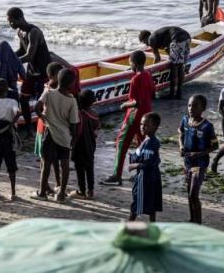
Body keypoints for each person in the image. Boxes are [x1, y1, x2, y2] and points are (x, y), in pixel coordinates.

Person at [102, 50, 155, 186]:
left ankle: (116, 175)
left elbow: (136, 102)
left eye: (130, 63)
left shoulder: (135, 79)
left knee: (121, 143)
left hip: (134, 115)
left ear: (135, 64)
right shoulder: (148, 75)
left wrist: (124, 104)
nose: (130, 66)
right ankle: (142, 173)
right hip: (146, 115)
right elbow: (152, 94)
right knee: (142, 144)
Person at [33, 68, 79, 203]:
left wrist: (43, 118)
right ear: (71, 84)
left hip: (50, 134)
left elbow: (37, 107)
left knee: (46, 163)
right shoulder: (72, 101)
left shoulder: (48, 93)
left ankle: (42, 192)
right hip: (64, 137)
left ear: (57, 80)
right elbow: (73, 125)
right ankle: (61, 194)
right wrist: (73, 140)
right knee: (64, 165)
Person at [7, 7, 52, 134]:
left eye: (11, 21)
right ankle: (29, 129)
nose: (10, 24)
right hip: (31, 71)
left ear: (20, 18)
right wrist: (8, 57)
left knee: (45, 101)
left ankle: (46, 127)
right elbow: (22, 50)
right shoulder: (20, 32)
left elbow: (29, 56)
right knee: (23, 99)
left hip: (44, 71)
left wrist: (12, 62)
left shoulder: (34, 32)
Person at [179, 94, 219, 224]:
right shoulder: (185, 120)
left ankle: (199, 223)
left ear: (203, 108)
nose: (191, 108)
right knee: (189, 194)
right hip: (187, 163)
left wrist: (200, 153)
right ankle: (192, 219)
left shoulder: (207, 126)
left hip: (199, 164)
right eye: (189, 105)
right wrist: (181, 147)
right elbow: (181, 134)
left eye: (195, 106)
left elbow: (215, 145)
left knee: (193, 194)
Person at [139, 26, 190, 100]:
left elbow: (157, 58)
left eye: (144, 42)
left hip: (177, 38)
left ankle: (172, 94)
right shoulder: (160, 36)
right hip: (186, 37)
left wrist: (151, 70)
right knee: (180, 65)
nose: (147, 45)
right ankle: (179, 92)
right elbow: (169, 50)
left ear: (145, 37)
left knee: (174, 66)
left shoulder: (151, 39)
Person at [128, 112, 163, 222]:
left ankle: (128, 227)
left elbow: (148, 163)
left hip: (145, 178)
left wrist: (134, 165)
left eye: (146, 125)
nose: (142, 127)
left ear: (155, 127)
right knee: (151, 203)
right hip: (152, 177)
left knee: (137, 202)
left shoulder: (149, 143)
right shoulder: (148, 140)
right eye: (141, 124)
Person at [70, 89, 100, 200]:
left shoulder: (79, 114)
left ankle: (81, 191)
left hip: (79, 146)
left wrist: (72, 144)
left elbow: (76, 132)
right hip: (91, 146)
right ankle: (90, 190)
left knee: (79, 169)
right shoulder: (94, 114)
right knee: (89, 167)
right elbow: (96, 129)